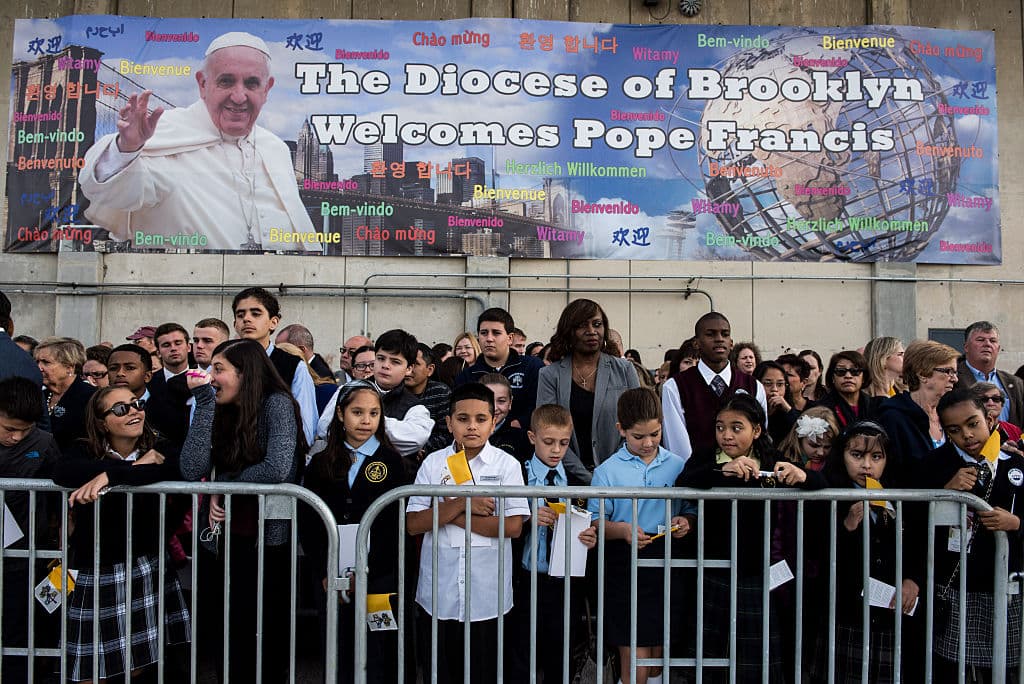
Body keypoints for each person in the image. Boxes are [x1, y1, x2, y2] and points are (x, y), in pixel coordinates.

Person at [79, 32, 318, 252]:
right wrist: (128, 148)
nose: (238, 96)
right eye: (226, 81)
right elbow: (116, 193)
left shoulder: (275, 148)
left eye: (252, 83)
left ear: (267, 89)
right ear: (202, 83)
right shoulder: (162, 134)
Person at [181, 339, 306, 682]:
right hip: (220, 541)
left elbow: (279, 467)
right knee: (227, 632)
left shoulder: (277, 404)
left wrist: (227, 486)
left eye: (218, 369)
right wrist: (205, 405)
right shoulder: (216, 406)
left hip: (267, 541)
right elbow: (191, 468)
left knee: (264, 632)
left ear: (245, 373)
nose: (210, 376)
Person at [676, 394, 822, 683]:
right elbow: (684, 482)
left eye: (736, 427)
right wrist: (721, 472)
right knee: (710, 656)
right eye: (720, 427)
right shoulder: (706, 457)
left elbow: (822, 485)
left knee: (755, 659)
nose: (726, 435)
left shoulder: (771, 458)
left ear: (756, 430)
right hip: (714, 569)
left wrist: (803, 475)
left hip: (757, 571)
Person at [52, 386, 190, 681]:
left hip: (143, 562)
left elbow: (176, 470)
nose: (134, 411)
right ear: (102, 421)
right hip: (95, 566)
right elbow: (63, 472)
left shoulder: (162, 447)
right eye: (120, 409)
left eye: (137, 404)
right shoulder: (83, 450)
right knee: (87, 670)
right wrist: (134, 468)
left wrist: (112, 476)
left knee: (137, 664)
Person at [406, 383, 530, 683]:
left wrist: (451, 514)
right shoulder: (433, 464)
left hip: (487, 594)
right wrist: (463, 503)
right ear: (449, 423)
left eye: (480, 419)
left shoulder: (506, 466)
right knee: (442, 670)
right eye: (462, 419)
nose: (471, 426)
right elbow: (414, 523)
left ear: (493, 421)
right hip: (439, 591)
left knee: (484, 669)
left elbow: (512, 526)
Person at [300, 380, 406, 684]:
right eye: (357, 412)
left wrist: (370, 571)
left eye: (373, 413)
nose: (366, 420)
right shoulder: (321, 463)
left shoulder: (391, 462)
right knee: (339, 641)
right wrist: (324, 568)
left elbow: (392, 524)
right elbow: (310, 522)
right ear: (341, 414)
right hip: (332, 575)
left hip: (379, 576)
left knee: (379, 640)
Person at [920, 389, 1024, 681]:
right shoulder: (933, 465)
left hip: (1006, 586)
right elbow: (915, 521)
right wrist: (946, 491)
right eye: (954, 430)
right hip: (956, 584)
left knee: (1007, 665)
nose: (967, 435)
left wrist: (1016, 523)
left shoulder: (1015, 464)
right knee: (956, 666)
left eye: (972, 423)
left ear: (990, 419)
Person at [589, 387, 689, 684]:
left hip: (667, 563)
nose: (648, 443)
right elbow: (596, 521)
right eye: (638, 436)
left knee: (659, 648)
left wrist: (686, 522)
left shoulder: (677, 464)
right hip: (624, 565)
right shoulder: (606, 471)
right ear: (621, 430)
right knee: (633, 650)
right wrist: (622, 530)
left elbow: (689, 509)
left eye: (655, 434)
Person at [821, 421, 923, 683]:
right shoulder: (828, 493)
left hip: (889, 612)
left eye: (876, 457)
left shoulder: (900, 495)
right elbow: (817, 551)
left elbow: (916, 543)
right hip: (847, 613)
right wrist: (847, 527)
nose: (866, 465)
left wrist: (913, 579)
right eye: (857, 455)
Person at [509, 404, 597, 683]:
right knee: (521, 649)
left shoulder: (576, 483)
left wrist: (590, 537)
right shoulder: (517, 476)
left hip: (563, 581)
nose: (556, 450)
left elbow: (587, 523)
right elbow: (502, 523)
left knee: (560, 650)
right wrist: (526, 520)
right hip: (524, 578)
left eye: (564, 443)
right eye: (549, 442)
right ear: (533, 438)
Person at [538, 299, 640, 483]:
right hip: (567, 478)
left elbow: (638, 424)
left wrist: (608, 471)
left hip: (619, 476)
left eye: (597, 324)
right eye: (582, 326)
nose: (592, 331)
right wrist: (587, 477)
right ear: (569, 331)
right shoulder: (549, 375)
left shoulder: (625, 370)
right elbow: (547, 430)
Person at [0, 377, 60, 682]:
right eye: (9, 429)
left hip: (24, 556)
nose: (16, 437)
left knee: (18, 630)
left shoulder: (43, 443)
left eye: (24, 430)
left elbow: (59, 498)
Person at [317, 330, 433, 468]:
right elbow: (324, 428)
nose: (385, 365)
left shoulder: (415, 408)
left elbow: (416, 438)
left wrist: (360, 422)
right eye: (380, 358)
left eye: (395, 362)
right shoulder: (347, 390)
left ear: (409, 369)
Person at [661, 312, 767, 462]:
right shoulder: (675, 387)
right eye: (711, 334)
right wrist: (701, 474)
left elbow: (759, 437)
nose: (719, 339)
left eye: (725, 334)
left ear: (731, 342)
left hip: (746, 477)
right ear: (696, 343)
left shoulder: (754, 385)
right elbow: (677, 446)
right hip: (696, 479)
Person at [232, 287, 318, 444]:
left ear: (273, 322)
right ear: (235, 324)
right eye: (240, 315)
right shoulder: (223, 364)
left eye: (256, 313)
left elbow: (306, 426)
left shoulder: (293, 366)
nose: (247, 319)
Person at [876, 340, 960, 486]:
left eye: (955, 372)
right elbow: (896, 476)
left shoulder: (948, 416)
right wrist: (944, 488)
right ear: (922, 374)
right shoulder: (893, 417)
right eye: (948, 371)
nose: (955, 379)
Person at [455, 308, 544, 429]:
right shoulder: (466, 376)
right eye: (484, 333)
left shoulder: (533, 367)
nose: (489, 339)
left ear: (510, 338)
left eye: (496, 333)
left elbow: (541, 408)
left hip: (523, 443)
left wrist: (520, 423)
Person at [955, 321, 1024, 429]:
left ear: (998, 348)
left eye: (993, 340)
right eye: (980, 340)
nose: (987, 344)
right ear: (966, 347)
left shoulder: (1015, 382)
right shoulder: (953, 378)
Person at [35, 336, 95, 452]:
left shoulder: (90, 396)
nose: (39, 368)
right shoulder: (39, 395)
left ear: (69, 367)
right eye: (37, 362)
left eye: (46, 362)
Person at [406, 343, 452, 455]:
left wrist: (422, 448)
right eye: (407, 363)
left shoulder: (441, 392)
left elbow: (447, 433)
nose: (409, 369)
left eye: (416, 364)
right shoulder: (394, 391)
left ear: (430, 369)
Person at [816, 350, 876, 430]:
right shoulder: (821, 409)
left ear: (864, 377)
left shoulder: (876, 406)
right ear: (832, 377)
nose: (848, 376)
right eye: (841, 371)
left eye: (855, 371)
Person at [481, 373, 530, 461]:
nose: (495, 408)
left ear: (510, 403)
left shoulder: (522, 438)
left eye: (501, 401)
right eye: (488, 401)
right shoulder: (466, 434)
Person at [777, 406, 840, 471]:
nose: (820, 453)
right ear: (799, 439)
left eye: (827, 447)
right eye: (814, 445)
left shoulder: (835, 466)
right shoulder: (783, 461)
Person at [754, 360, 800, 445]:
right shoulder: (749, 411)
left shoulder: (788, 413)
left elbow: (803, 432)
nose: (774, 389)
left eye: (780, 384)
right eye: (768, 384)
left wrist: (788, 409)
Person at [970, 381, 1023, 445]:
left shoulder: (1014, 429)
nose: (991, 403)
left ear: (1002, 404)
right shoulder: (969, 431)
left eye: (996, 399)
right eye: (983, 399)